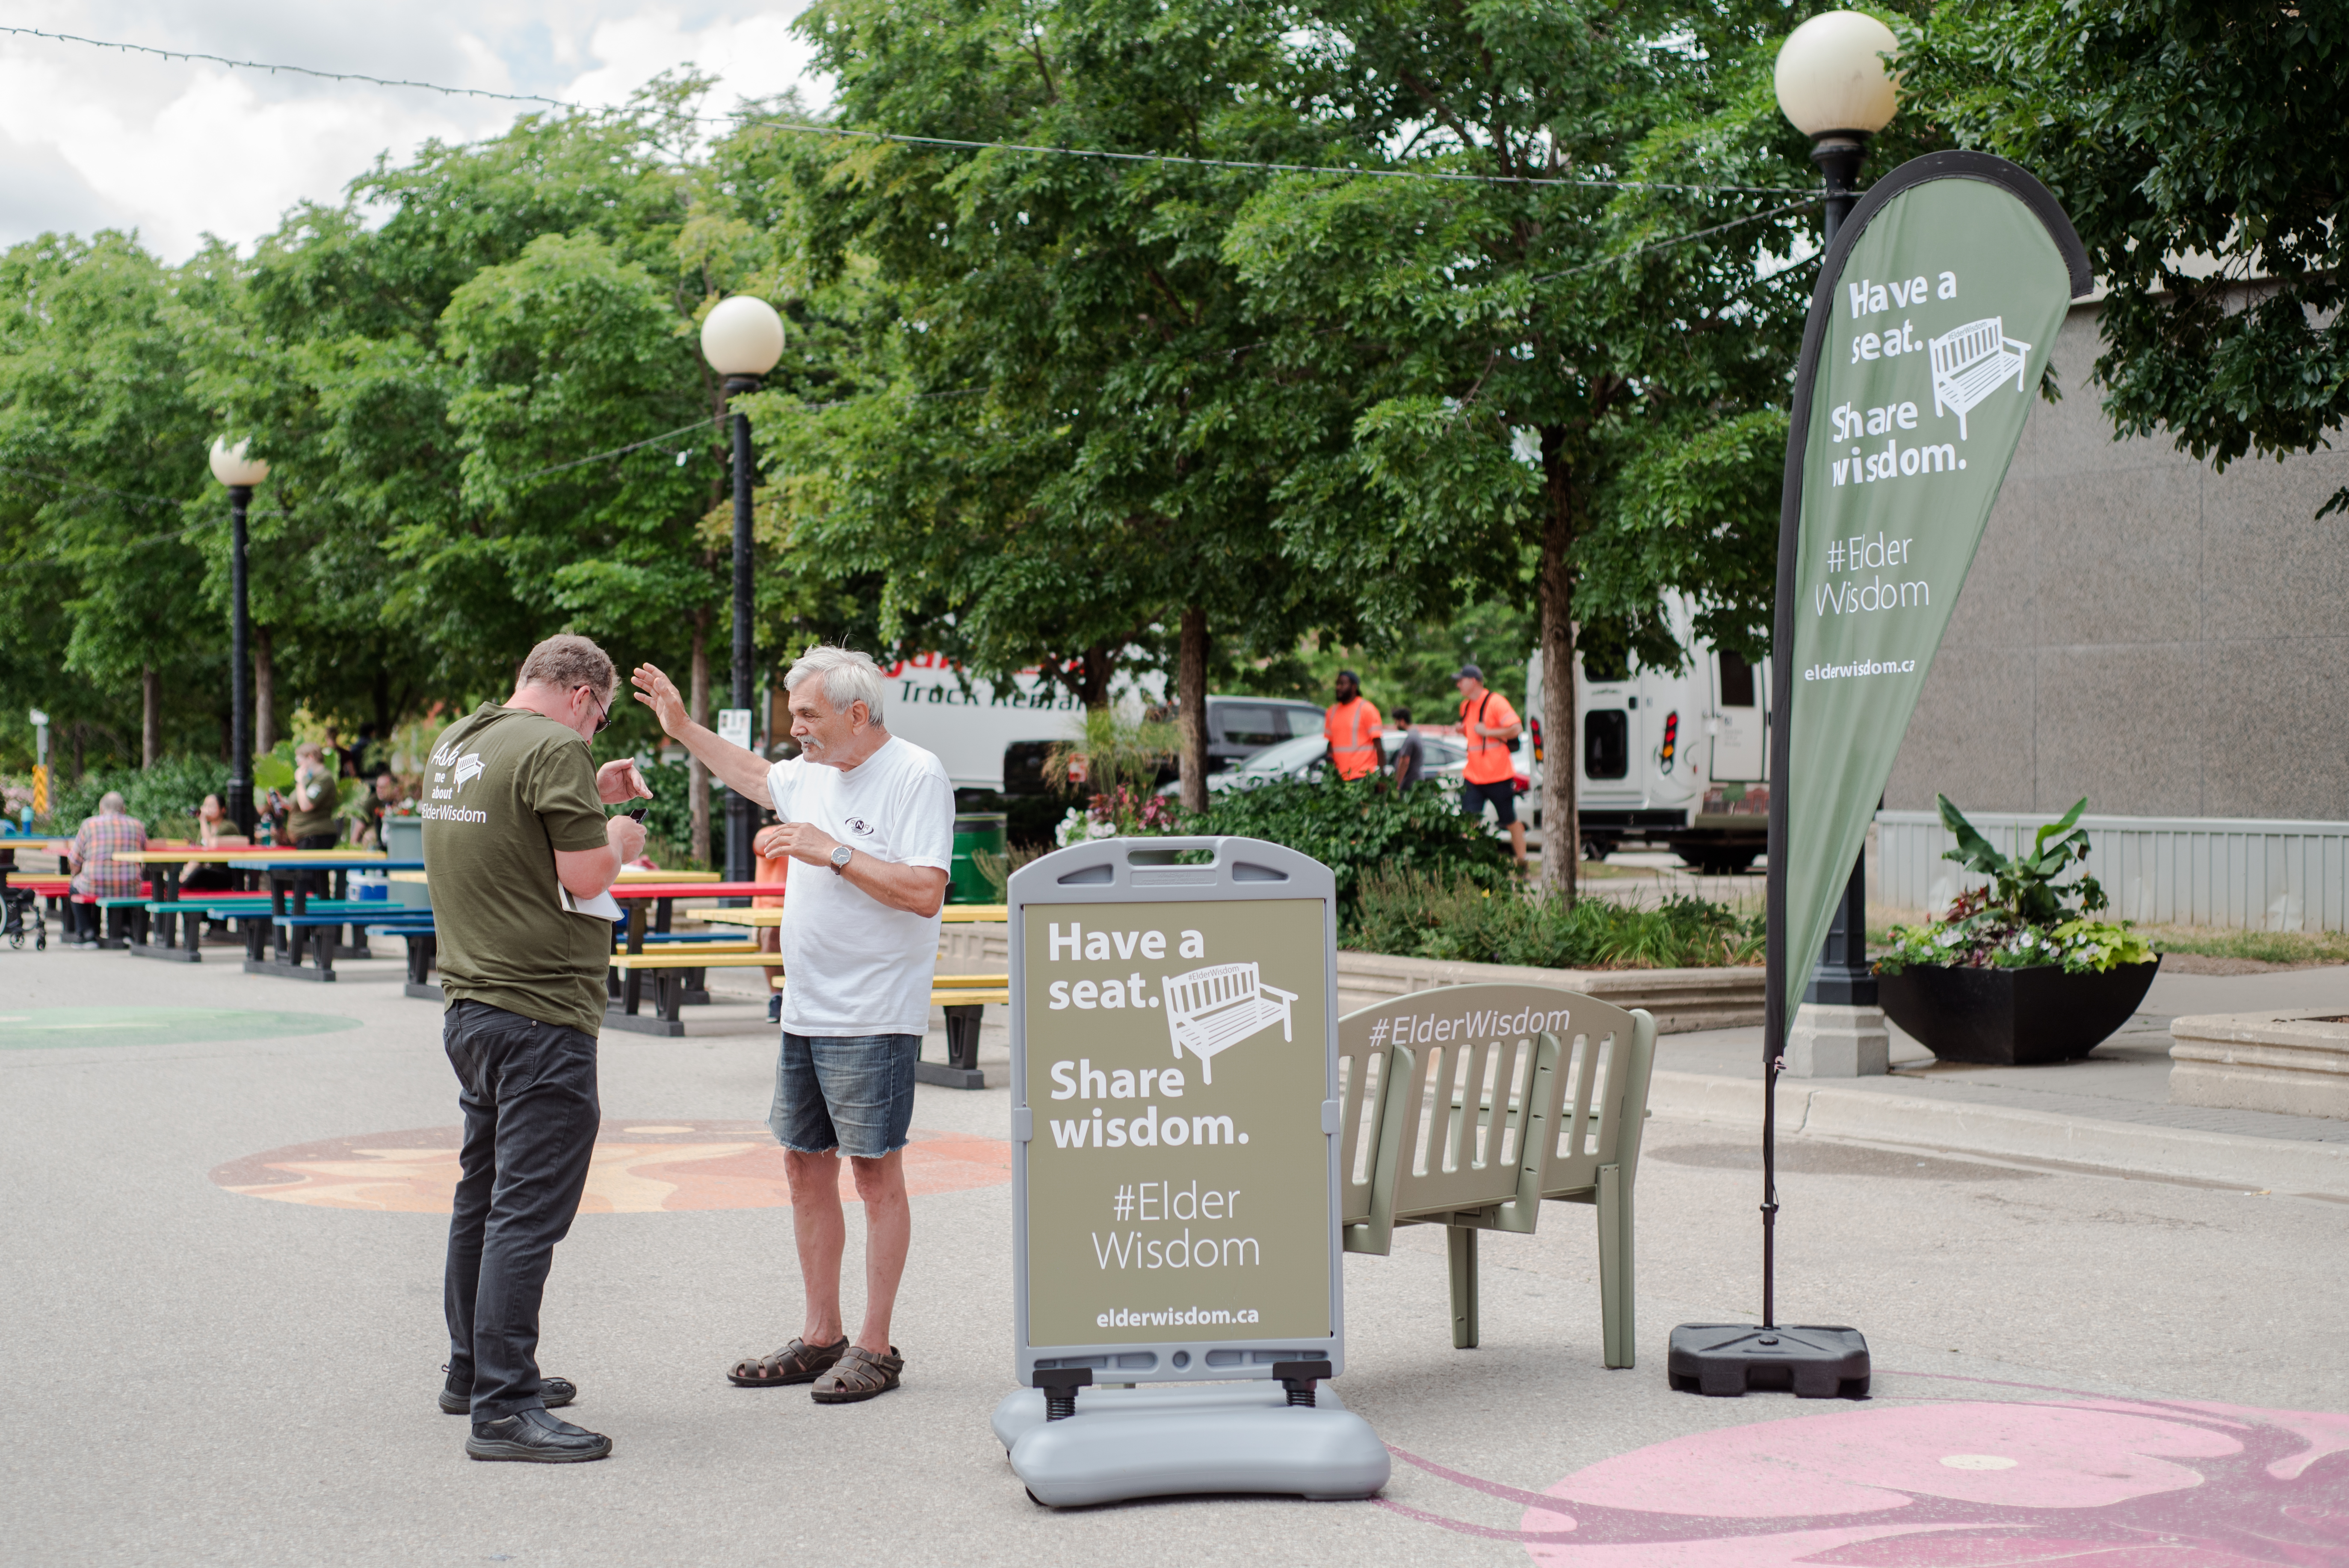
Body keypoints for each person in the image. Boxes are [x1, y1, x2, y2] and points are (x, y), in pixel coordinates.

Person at [631, 644, 952, 1406]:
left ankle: (876, 1346)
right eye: (792, 715)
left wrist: (829, 849)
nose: (796, 728)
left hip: (874, 1011)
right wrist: (681, 728)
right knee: (804, 1166)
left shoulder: (915, 772)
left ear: (857, 713)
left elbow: (924, 892)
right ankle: (821, 1335)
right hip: (806, 1009)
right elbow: (749, 771)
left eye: (808, 715)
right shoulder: (808, 773)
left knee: (874, 1174)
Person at [424, 633, 651, 1464]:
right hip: (541, 1011)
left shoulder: (462, 742)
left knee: (480, 1196)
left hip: (472, 1004)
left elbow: (508, 828)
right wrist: (618, 837)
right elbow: (588, 875)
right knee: (526, 1210)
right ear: (586, 697)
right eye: (599, 721)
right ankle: (506, 1405)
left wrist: (585, 792)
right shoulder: (555, 745)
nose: (590, 738)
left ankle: (473, 1368)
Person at [1455, 664, 1527, 867]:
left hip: (1498, 775)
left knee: (1510, 821)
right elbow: (1474, 734)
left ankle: (1522, 864)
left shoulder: (1496, 702)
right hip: (1474, 776)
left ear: (1474, 681)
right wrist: (1462, 730)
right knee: (1469, 822)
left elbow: (1516, 728)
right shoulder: (1466, 706)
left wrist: (1488, 732)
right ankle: (1471, 866)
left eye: (1461, 680)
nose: (1458, 684)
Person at [65, 791, 147, 947]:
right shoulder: (137, 825)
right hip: (130, 886)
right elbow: (144, 854)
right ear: (124, 810)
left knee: (75, 886)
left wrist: (75, 873)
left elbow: (75, 860)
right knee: (123, 884)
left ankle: (87, 934)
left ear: (101, 809)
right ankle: (125, 931)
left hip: (94, 884)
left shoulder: (89, 824)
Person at [751, 814, 788, 1025]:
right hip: (769, 911)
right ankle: (777, 996)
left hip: (801, 908)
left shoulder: (816, 834)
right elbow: (760, 845)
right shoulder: (767, 833)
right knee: (771, 932)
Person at [181, 794, 249, 895]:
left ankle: (175, 892)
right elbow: (199, 855)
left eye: (211, 806)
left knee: (200, 874)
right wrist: (185, 874)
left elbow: (211, 847)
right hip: (209, 872)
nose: (207, 809)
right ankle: (176, 891)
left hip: (226, 874)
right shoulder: (206, 829)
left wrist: (203, 821)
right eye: (205, 806)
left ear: (223, 810)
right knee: (193, 876)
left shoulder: (228, 827)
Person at [1323, 669, 1383, 783]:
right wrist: (1330, 764)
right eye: (1337, 684)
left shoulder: (1367, 709)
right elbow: (1331, 744)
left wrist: (1382, 776)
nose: (1338, 687)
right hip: (1339, 777)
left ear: (1354, 687)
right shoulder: (1332, 712)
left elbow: (1379, 746)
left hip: (1363, 776)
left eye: (1342, 684)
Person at [1387, 707, 1426, 788]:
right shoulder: (1416, 735)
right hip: (1416, 781)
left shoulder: (1410, 738)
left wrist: (1397, 784)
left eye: (1396, 722)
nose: (1396, 725)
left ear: (1402, 721)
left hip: (1410, 783)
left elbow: (1405, 761)